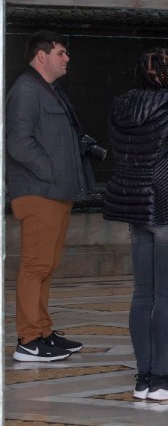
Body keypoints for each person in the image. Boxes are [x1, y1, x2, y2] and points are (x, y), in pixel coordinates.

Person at [103, 48, 168, 401]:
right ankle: (160, 378)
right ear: (165, 75)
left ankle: (143, 378)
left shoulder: (121, 109)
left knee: (141, 296)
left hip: (136, 209)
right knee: (165, 299)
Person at [6, 30, 93, 362]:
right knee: (35, 264)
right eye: (61, 52)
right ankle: (28, 340)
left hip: (54, 193)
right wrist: (51, 171)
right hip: (39, 193)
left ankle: (42, 331)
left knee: (46, 265)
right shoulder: (26, 91)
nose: (66, 58)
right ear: (41, 56)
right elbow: (18, 143)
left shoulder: (49, 92)